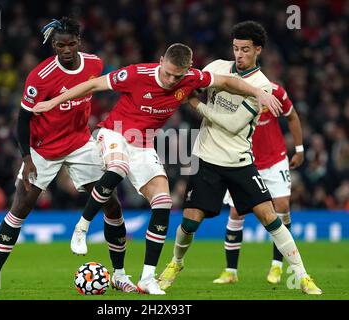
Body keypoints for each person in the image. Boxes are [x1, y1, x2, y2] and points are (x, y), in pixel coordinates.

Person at [33, 42, 282, 294]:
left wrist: (258, 92)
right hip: (114, 133)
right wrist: (54, 102)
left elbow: (228, 82)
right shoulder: (136, 74)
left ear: (188, 70)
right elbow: (93, 84)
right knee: (118, 166)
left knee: (163, 201)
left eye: (178, 75)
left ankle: (147, 278)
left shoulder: (192, 77)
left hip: (143, 144)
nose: (172, 79)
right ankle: (82, 227)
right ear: (161, 60)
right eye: (168, 72)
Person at [158, 21, 322, 295]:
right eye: (235, 48)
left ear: (258, 50)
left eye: (245, 49)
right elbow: (191, 84)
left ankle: (303, 276)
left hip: (239, 162)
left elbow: (232, 124)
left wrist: (196, 103)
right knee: (189, 221)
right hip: (206, 158)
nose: (239, 55)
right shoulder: (216, 68)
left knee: (271, 218)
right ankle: (175, 263)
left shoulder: (263, 86)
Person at [0, 16, 137, 295]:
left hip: (79, 142)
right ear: (53, 45)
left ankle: (120, 275)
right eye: (60, 45)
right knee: (20, 209)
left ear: (79, 42)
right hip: (44, 149)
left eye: (71, 43)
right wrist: (27, 158)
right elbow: (22, 119)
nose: (66, 49)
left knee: (111, 204)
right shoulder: (39, 77)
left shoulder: (94, 64)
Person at [213, 81, 304, 285]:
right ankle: (230, 272)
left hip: (275, 159)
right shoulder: (232, 92)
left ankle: (277, 266)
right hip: (245, 160)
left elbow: (292, 116)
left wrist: (299, 149)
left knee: (282, 207)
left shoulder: (275, 91)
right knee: (237, 212)